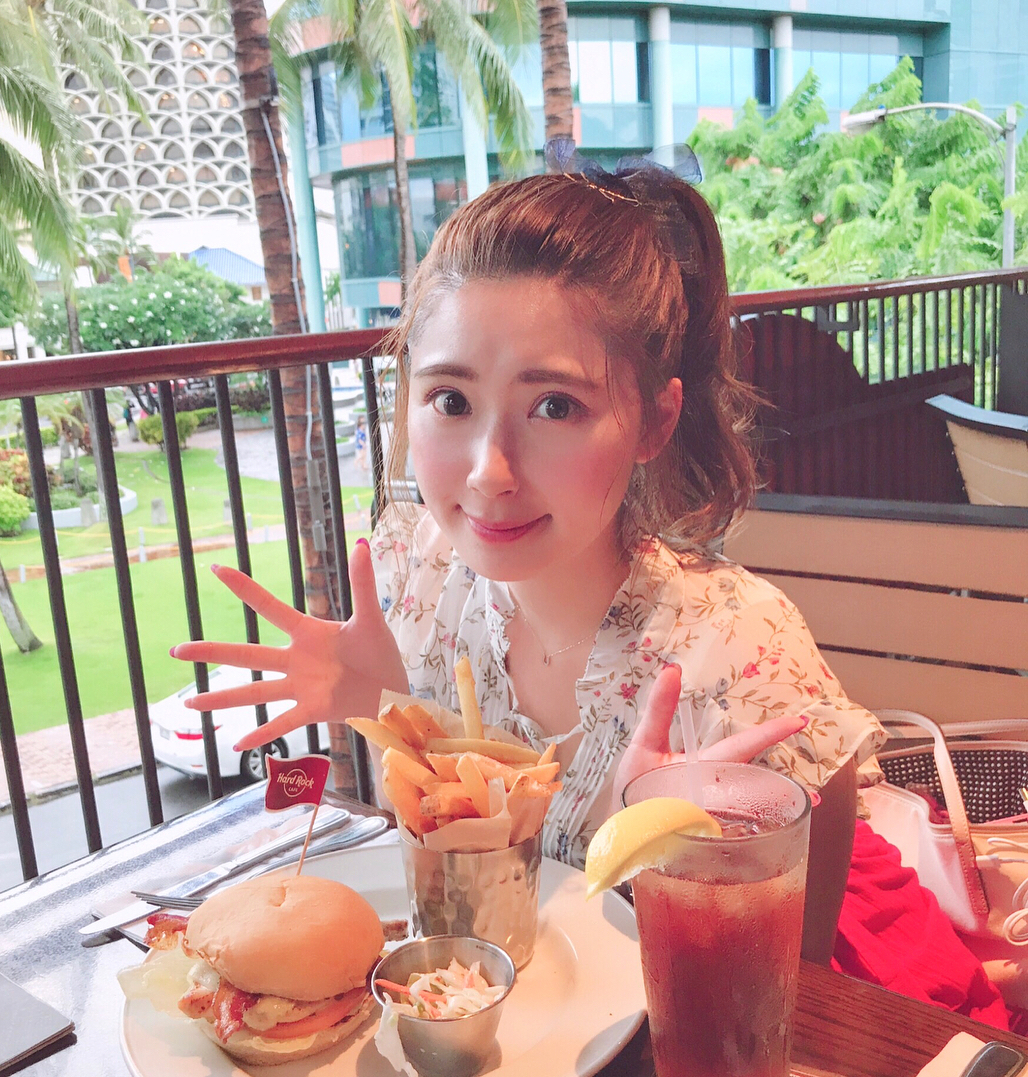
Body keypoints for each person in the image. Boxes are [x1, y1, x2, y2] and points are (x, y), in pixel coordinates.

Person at [171, 160, 1008, 1024]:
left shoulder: (737, 656)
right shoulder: (420, 577)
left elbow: (789, 997)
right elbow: (452, 916)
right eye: (451, 399)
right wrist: (386, 710)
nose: (489, 473)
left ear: (655, 420)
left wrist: (667, 858)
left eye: (555, 408)